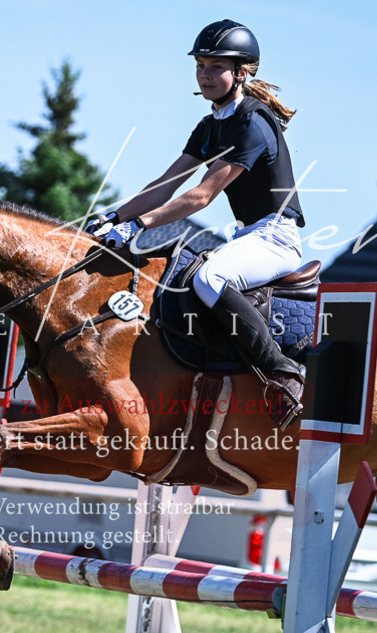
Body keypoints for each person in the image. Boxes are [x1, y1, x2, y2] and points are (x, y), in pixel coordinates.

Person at [90, 19, 305, 429]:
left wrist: (139, 227)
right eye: (200, 65)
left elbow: (201, 195)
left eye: (215, 66)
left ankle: (283, 373)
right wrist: (113, 217)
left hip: (276, 238)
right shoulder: (210, 126)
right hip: (248, 234)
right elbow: (167, 185)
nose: (205, 74)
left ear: (242, 72)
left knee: (209, 278)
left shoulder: (253, 122)